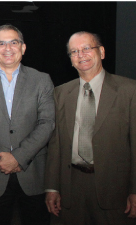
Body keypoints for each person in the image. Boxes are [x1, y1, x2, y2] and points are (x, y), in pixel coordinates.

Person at [0, 24, 55, 225]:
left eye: (13, 42)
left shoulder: (41, 80)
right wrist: (0, 158)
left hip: (33, 174)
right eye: (1, 43)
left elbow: (47, 123)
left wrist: (18, 157)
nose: (8, 48)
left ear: (23, 48)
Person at [45, 31, 136, 224]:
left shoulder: (130, 90)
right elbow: (56, 144)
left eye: (87, 48)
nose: (81, 55)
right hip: (71, 187)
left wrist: (135, 190)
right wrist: (52, 188)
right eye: (74, 52)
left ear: (101, 52)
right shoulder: (60, 93)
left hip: (115, 190)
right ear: (70, 60)